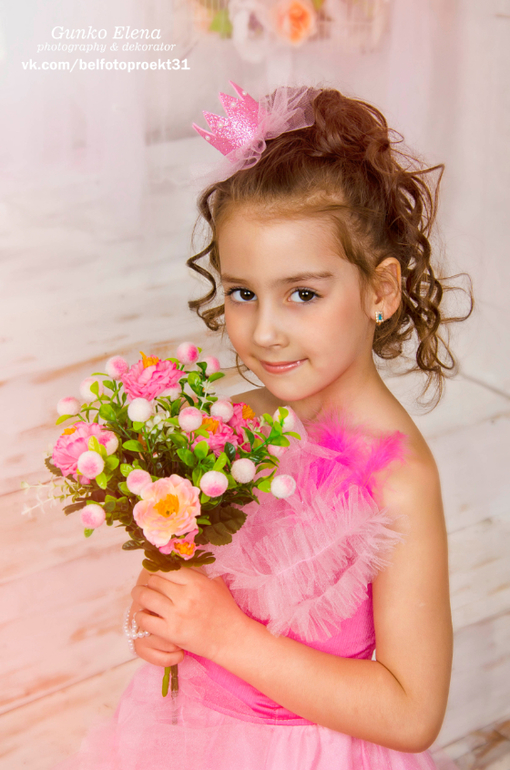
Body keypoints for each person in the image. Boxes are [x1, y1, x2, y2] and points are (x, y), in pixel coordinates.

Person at [54, 82, 472, 769]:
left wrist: (224, 636)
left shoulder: (399, 479)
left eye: (303, 293)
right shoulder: (235, 425)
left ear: (381, 290)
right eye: (243, 293)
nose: (266, 331)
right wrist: (160, 614)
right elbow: (192, 573)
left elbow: (411, 712)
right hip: (192, 737)